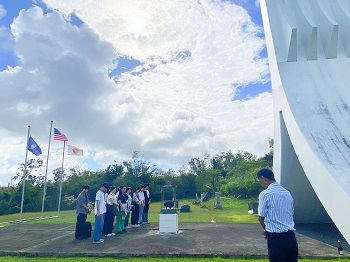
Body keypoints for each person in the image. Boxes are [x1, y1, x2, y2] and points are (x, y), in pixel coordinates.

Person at [257, 168, 298, 261]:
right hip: (290, 236)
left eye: (260, 181)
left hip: (276, 237)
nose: (261, 184)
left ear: (264, 178)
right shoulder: (287, 193)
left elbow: (261, 217)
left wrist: (266, 230)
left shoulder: (265, 194)